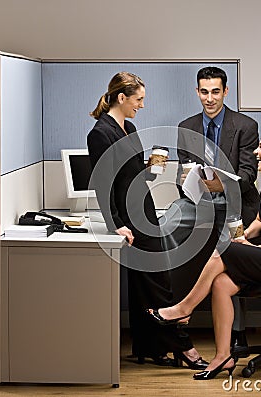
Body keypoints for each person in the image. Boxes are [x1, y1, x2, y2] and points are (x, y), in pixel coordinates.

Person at [148, 130, 261, 379]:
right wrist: (245, 237)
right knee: (221, 283)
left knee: (225, 248)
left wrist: (255, 250)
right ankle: (222, 357)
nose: (256, 153)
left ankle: (183, 309)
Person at [87, 72, 207, 369]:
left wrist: (150, 169)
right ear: (121, 97)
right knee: (159, 283)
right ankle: (183, 347)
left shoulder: (129, 127)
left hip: (145, 210)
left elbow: (127, 172)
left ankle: (148, 347)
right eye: (138, 99)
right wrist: (116, 223)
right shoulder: (101, 133)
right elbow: (103, 184)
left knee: (144, 283)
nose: (141, 105)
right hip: (130, 217)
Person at [160, 66, 259, 354]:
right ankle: (177, 326)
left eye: (216, 91)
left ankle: (237, 330)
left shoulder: (246, 126)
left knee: (233, 252)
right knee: (167, 230)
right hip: (199, 202)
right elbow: (187, 170)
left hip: (235, 205)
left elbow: (248, 174)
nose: (210, 98)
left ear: (226, 91)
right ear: (197, 92)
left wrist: (220, 186)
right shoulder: (186, 127)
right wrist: (184, 180)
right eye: (204, 92)